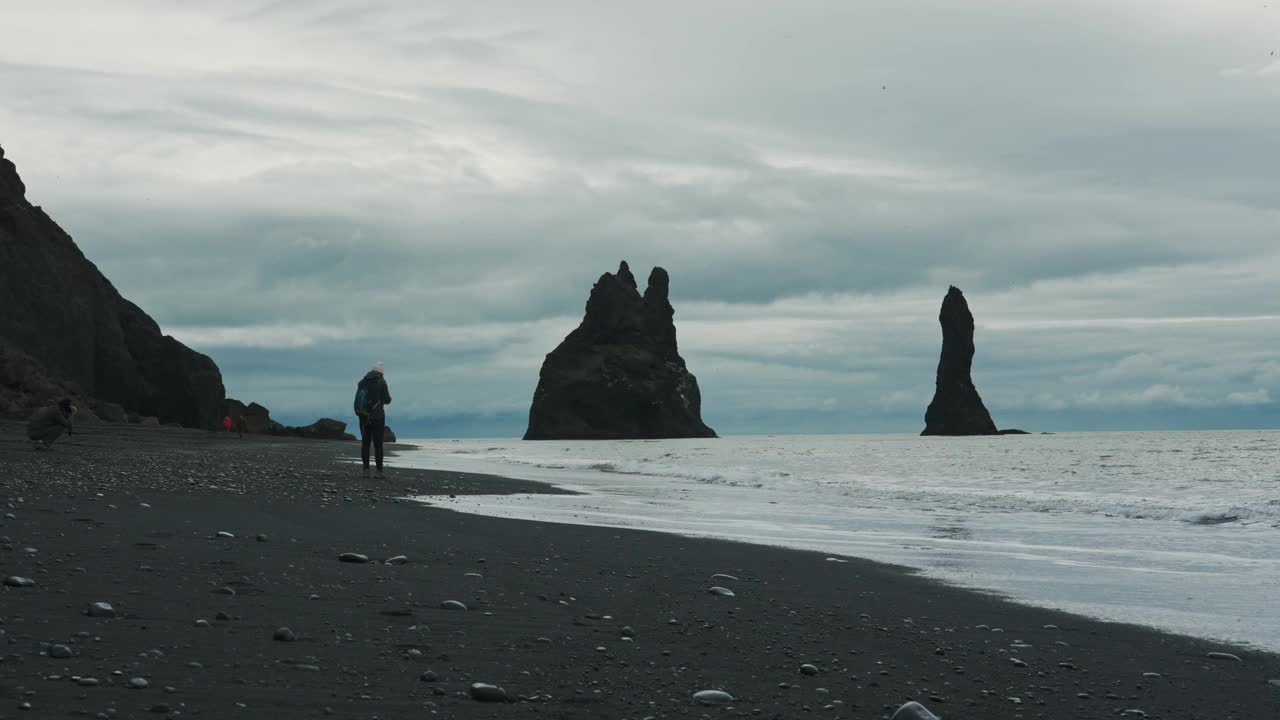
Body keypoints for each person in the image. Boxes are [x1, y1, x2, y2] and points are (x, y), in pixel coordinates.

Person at [355, 361, 392, 478]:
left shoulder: (362, 382)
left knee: (365, 444)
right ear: (381, 372)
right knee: (378, 445)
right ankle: (379, 471)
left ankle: (365, 470)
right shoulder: (382, 382)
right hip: (378, 417)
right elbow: (387, 399)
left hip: (363, 417)